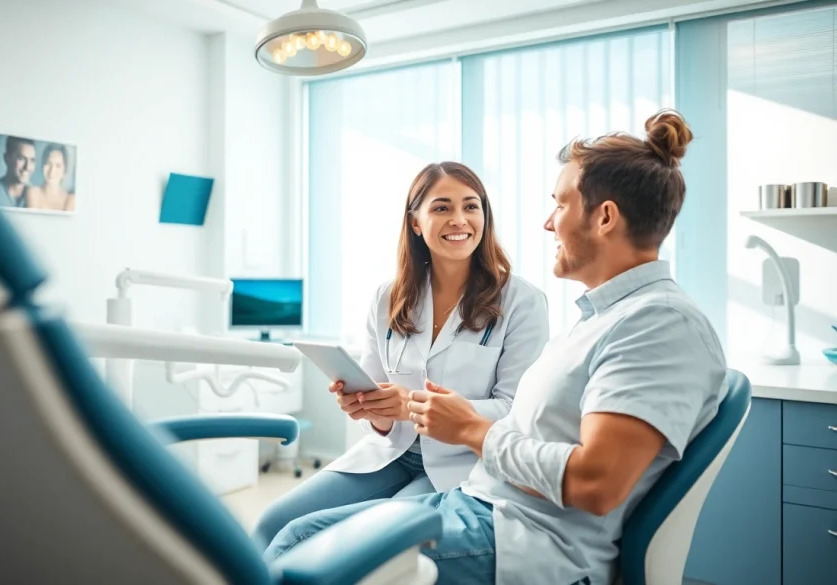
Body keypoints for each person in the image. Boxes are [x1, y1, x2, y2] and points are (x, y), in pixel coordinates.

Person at [263, 110, 727, 585]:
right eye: (440, 208)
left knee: (318, 559)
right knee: (291, 534)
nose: (548, 223)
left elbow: (597, 482)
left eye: (560, 205)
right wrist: (386, 409)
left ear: (605, 216)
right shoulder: (600, 319)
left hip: (519, 534)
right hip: (483, 501)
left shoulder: (657, 324)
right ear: (416, 223)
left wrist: (470, 430)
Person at [251, 161, 550, 551]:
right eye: (441, 207)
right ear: (415, 222)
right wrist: (371, 411)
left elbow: (516, 411)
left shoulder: (522, 302)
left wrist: (411, 405)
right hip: (390, 453)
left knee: (373, 542)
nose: (459, 219)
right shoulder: (388, 297)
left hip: (460, 460)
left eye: (471, 206)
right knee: (273, 524)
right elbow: (378, 394)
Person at [25, 143, 76, 212]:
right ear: (43, 166)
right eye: (48, 163)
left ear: (64, 171)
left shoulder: (70, 199)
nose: (52, 171)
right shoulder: (33, 192)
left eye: (58, 165)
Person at [0, 136, 36, 208]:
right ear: (6, 158)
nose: (27, 167)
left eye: (32, 160)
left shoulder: (37, 197)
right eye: (21, 158)